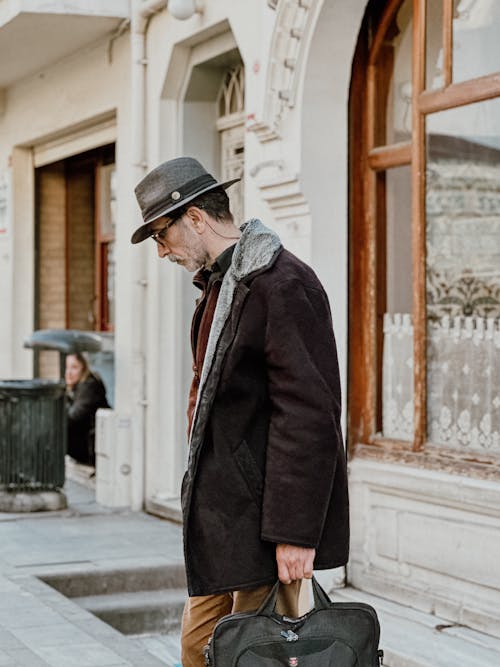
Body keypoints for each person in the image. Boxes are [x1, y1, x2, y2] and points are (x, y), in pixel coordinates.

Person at [131, 157, 349, 667]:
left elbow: (310, 415)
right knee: (197, 648)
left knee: (253, 656)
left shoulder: (282, 283)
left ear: (195, 218)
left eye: (161, 235)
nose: (162, 251)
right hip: (221, 522)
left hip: (263, 523)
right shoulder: (218, 287)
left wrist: (295, 534)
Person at [65, 352, 109, 467]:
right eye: (67, 367)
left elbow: (73, 417)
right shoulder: (75, 389)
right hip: (87, 448)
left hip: (91, 450)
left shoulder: (89, 386)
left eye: (74, 367)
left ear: (84, 368)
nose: (68, 373)